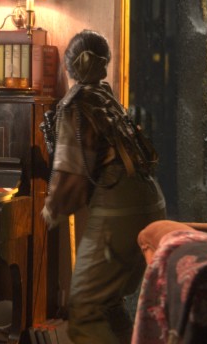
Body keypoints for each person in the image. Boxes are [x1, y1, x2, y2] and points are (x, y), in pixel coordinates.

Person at [41, 30, 167, 343]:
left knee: (86, 307)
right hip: (150, 203)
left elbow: (71, 173)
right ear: (105, 63)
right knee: (108, 303)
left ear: (69, 65)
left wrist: (50, 211)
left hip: (119, 211)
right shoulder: (107, 97)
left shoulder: (75, 104)